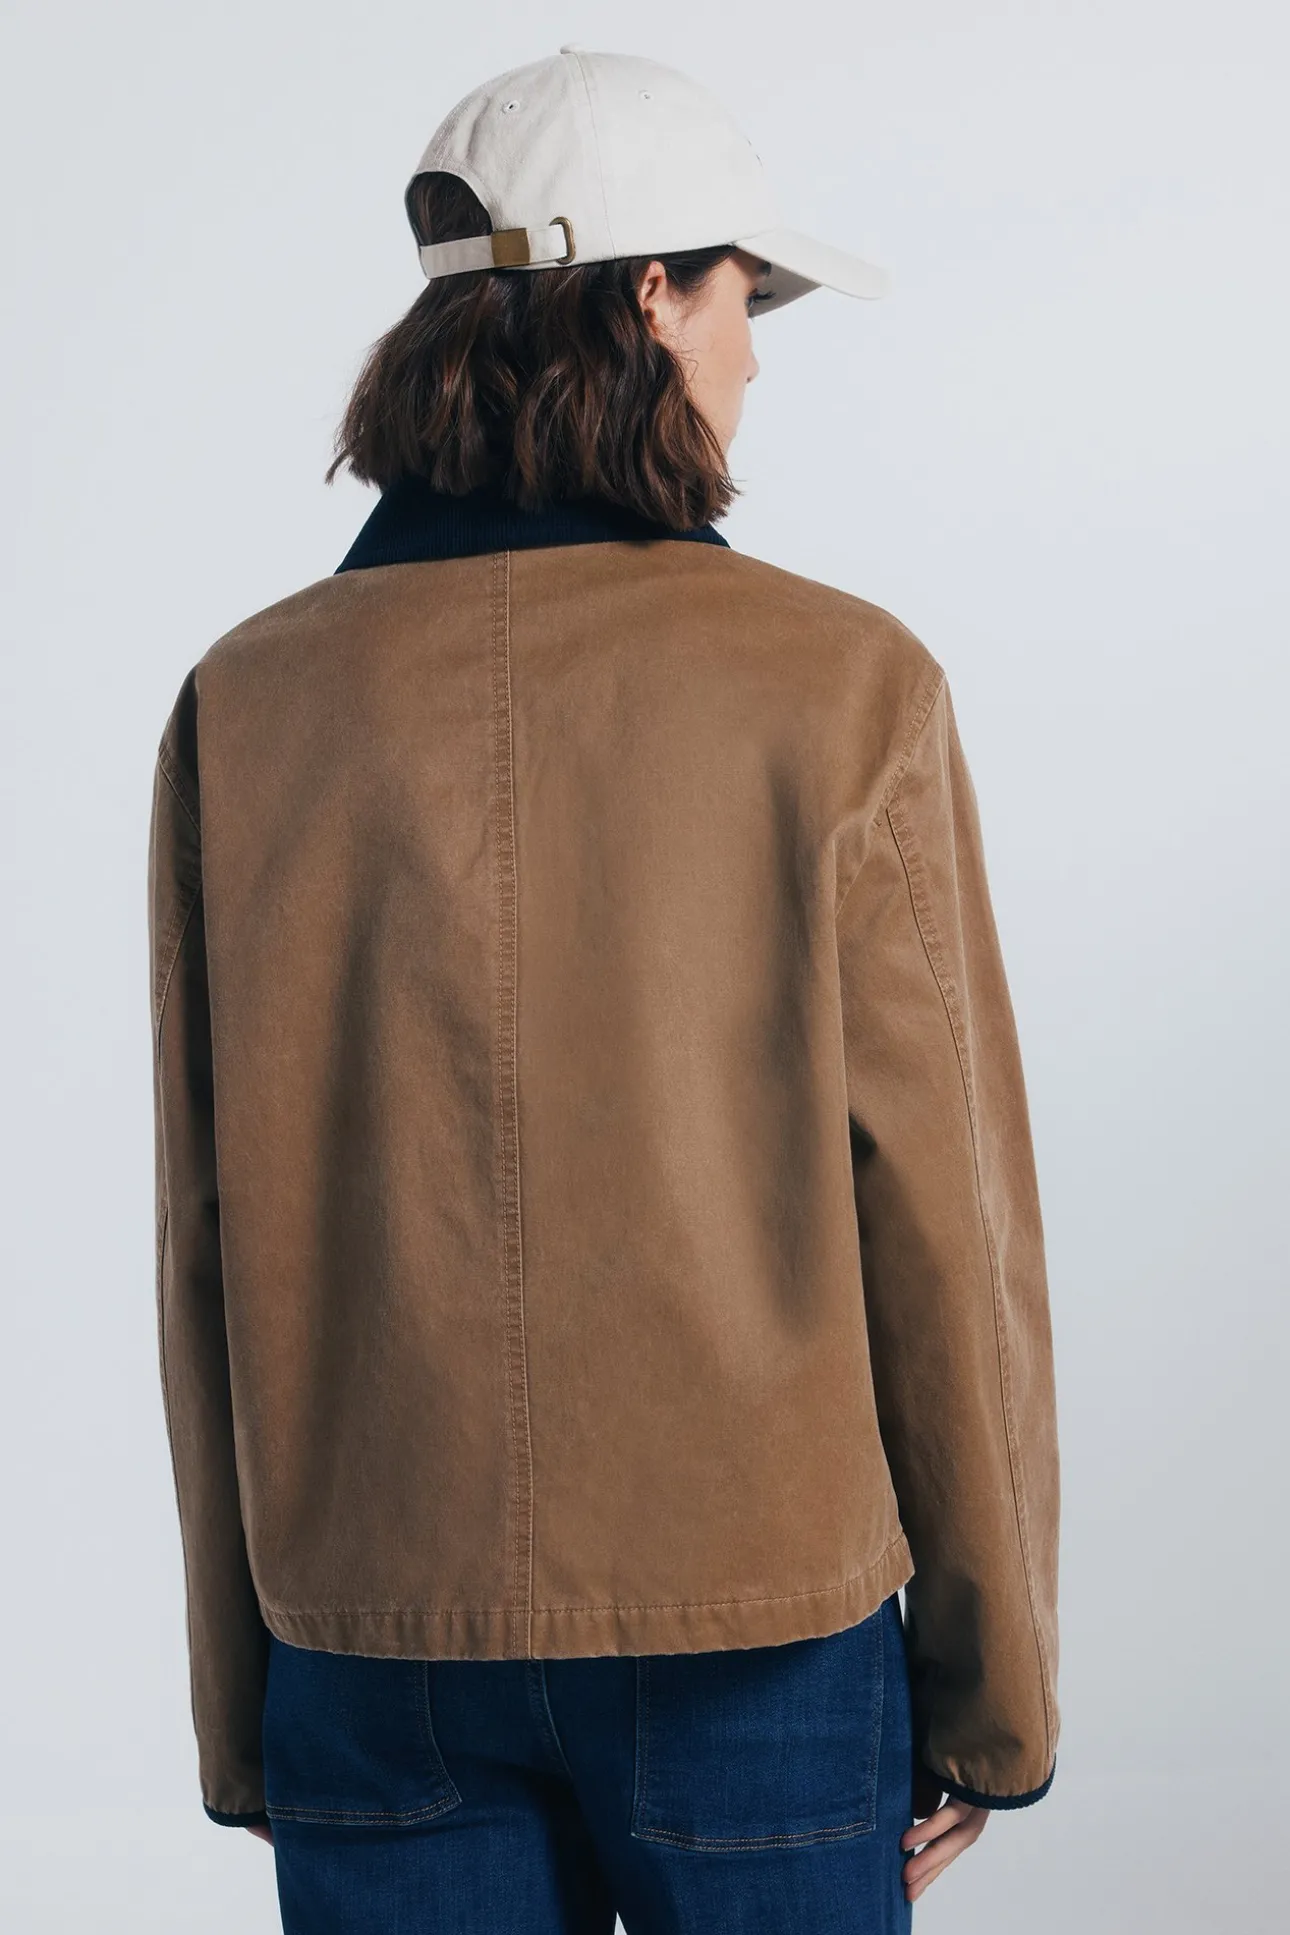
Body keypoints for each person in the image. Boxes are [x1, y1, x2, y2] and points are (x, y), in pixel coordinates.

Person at [146, 44, 1061, 1933]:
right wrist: (991, 1693)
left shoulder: (248, 700)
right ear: (651, 295)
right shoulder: (839, 685)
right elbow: (945, 1224)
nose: (753, 358)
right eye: (741, 298)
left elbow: (205, 1238)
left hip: (368, 1632)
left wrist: (245, 1698)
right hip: (759, 1632)